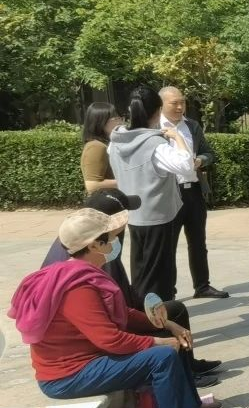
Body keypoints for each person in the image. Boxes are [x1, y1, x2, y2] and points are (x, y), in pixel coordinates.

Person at [8, 209, 221, 408]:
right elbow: (109, 339)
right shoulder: (77, 288)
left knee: (171, 339)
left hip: (86, 362)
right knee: (162, 355)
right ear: (94, 245)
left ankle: (190, 405)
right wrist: (157, 341)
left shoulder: (78, 272)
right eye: (109, 238)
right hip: (68, 376)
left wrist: (166, 325)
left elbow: (122, 313)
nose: (114, 242)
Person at [42, 188, 222, 385]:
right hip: (91, 334)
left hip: (100, 318)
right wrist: (155, 323)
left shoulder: (78, 240)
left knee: (169, 312)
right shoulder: (94, 254)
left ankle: (188, 367)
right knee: (169, 317)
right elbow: (115, 308)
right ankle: (184, 376)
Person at [108, 85, 197, 303]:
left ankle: (140, 313)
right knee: (158, 277)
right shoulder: (154, 144)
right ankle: (156, 318)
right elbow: (186, 166)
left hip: (134, 216)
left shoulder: (117, 141)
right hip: (158, 217)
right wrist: (178, 138)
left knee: (141, 270)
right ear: (158, 112)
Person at [159, 87, 227, 299]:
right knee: (168, 245)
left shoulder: (192, 126)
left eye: (183, 102)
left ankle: (202, 286)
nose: (180, 107)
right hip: (169, 194)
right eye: (174, 103)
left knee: (198, 242)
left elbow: (209, 153)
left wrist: (201, 160)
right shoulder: (154, 128)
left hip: (194, 191)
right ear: (161, 104)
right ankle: (168, 291)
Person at [81, 102, 122, 194]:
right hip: (107, 200)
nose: (120, 123)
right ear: (101, 122)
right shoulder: (96, 147)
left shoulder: (107, 144)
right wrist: (128, 181)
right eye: (116, 119)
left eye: (120, 118)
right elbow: (92, 185)